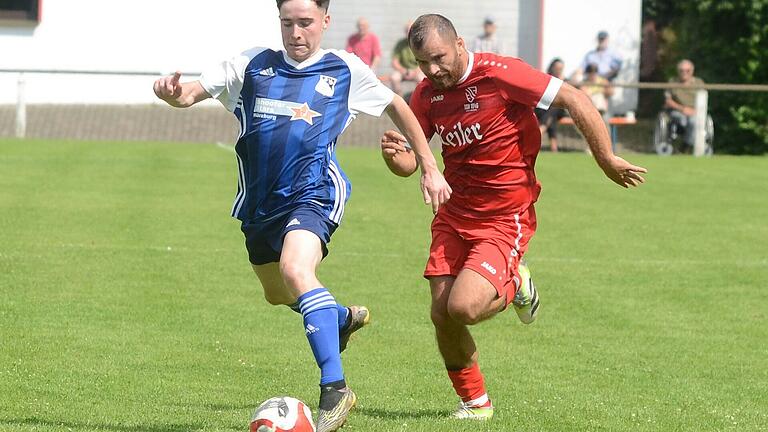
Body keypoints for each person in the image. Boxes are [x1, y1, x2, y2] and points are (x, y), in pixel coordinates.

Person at [152, 1, 451, 431]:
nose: (296, 33)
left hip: (314, 193)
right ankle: (338, 318)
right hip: (259, 205)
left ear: (325, 22)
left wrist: (429, 164)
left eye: (306, 23)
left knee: (296, 268)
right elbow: (191, 94)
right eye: (288, 23)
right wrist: (171, 94)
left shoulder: (344, 69)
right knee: (277, 293)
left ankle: (335, 389)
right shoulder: (252, 64)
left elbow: (396, 105)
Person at [379, 14, 646, 420]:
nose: (433, 70)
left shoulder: (501, 75)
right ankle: (475, 402)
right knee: (440, 312)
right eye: (423, 63)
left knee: (464, 307)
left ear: (460, 44)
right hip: (454, 214)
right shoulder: (428, 94)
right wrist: (396, 158)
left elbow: (574, 98)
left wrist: (605, 158)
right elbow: (412, 165)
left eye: (439, 58)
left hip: (505, 215)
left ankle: (517, 280)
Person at [664, 59, 704, 148]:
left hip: (695, 111)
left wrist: (695, 111)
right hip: (677, 110)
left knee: (693, 121)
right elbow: (668, 100)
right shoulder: (672, 82)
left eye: (687, 70)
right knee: (682, 120)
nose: (684, 73)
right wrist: (682, 109)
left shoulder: (699, 83)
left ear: (692, 71)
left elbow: (703, 100)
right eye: (681, 70)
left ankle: (686, 145)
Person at [535, 58, 567, 152]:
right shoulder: (546, 78)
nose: (559, 71)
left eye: (560, 69)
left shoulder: (565, 81)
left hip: (559, 109)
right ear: (552, 68)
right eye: (557, 68)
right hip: (545, 108)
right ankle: (554, 148)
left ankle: (541, 130)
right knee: (551, 116)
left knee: (553, 110)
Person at [389, 21, 425, 97]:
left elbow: (424, 61)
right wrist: (403, 71)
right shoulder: (400, 44)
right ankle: (400, 101)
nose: (408, 33)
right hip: (402, 70)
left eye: (410, 30)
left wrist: (414, 72)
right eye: (407, 30)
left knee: (422, 80)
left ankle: (418, 100)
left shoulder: (420, 44)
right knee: (394, 78)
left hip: (417, 71)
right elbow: (394, 62)